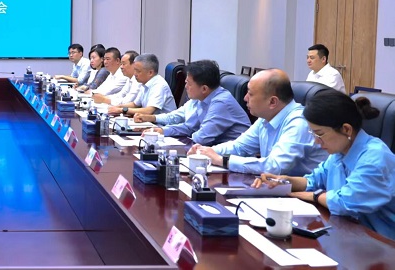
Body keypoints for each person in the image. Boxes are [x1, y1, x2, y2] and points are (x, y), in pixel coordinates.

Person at [252, 90, 394, 240]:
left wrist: (315, 196)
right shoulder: (340, 152)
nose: (316, 141)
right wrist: (284, 181)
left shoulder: (375, 158)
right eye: (313, 134)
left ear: (346, 129)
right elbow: (313, 180)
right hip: (350, 235)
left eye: (319, 134)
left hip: (383, 243)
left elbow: (345, 203)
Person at [189, 69, 327, 175]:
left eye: (250, 94)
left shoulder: (299, 123)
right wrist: (206, 151)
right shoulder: (266, 118)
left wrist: (223, 160)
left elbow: (275, 166)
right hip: (277, 189)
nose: (245, 98)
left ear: (272, 102)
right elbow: (239, 147)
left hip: (306, 198)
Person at [133, 60, 249, 145]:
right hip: (213, 150)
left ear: (204, 88)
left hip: (231, 158)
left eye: (188, 83)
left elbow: (202, 138)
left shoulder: (221, 103)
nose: (186, 87)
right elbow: (189, 127)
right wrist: (162, 130)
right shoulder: (200, 99)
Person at [112, 53, 176, 116]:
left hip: (162, 122)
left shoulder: (159, 85)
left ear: (150, 72)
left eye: (138, 71)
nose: (135, 74)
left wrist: (121, 110)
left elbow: (148, 111)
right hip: (149, 121)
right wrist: (118, 107)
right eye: (134, 70)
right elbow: (135, 104)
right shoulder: (144, 83)